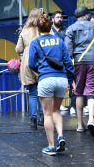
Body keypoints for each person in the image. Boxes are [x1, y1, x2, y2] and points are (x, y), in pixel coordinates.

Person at [28, 13, 74, 155]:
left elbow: (31, 64)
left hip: (46, 80)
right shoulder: (59, 41)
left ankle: (51, 146)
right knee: (56, 111)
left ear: (38, 29)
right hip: (61, 80)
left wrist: (41, 70)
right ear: (50, 27)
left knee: (47, 114)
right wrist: (70, 81)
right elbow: (68, 63)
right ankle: (60, 136)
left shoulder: (35, 42)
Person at [65, 6, 94, 137]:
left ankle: (80, 124)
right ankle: (91, 119)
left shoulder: (71, 29)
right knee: (91, 90)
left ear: (76, 17)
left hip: (79, 62)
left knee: (79, 91)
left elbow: (68, 51)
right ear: (87, 15)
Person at [16, 8, 44, 130]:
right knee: (44, 92)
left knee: (32, 93)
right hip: (42, 62)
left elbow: (18, 49)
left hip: (28, 63)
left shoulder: (25, 30)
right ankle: (43, 117)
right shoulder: (44, 29)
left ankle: (33, 121)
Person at [50, 11, 68, 111]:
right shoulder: (49, 31)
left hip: (63, 60)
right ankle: (54, 104)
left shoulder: (66, 30)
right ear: (52, 19)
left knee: (63, 84)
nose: (60, 19)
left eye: (61, 17)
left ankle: (59, 103)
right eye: (57, 17)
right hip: (52, 60)